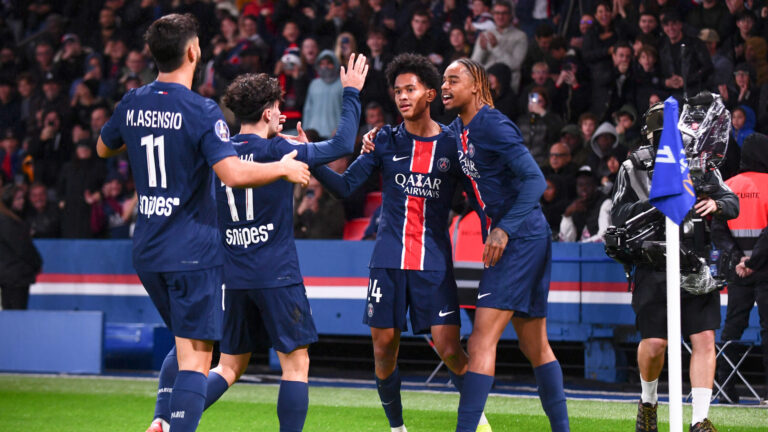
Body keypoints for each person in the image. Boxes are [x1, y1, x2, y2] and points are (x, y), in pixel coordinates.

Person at [96, 14, 309, 432]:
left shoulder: (131, 101)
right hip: (192, 250)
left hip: (147, 249)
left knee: (184, 344)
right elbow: (232, 173)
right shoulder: (200, 110)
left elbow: (105, 147)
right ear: (193, 51)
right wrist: (282, 169)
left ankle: (160, 419)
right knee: (197, 358)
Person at [318, 53, 492, 432]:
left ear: (430, 94)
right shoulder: (383, 140)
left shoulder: (454, 145)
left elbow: (480, 198)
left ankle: (479, 421)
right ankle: (397, 428)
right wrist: (311, 158)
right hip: (388, 263)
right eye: (397, 91)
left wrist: (501, 229)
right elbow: (346, 186)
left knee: (450, 349)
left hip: (432, 264)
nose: (402, 97)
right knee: (383, 353)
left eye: (410, 89)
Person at [191, 55, 366, 431]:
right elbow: (341, 143)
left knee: (229, 366)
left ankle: (169, 421)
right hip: (276, 274)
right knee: (296, 364)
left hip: (233, 277)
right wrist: (350, 93)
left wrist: (272, 133)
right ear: (270, 111)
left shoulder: (220, 155)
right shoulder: (280, 152)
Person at [441, 58, 569, 432]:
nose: (445, 86)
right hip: (524, 238)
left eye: (454, 79)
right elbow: (427, 138)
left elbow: (534, 180)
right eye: (443, 81)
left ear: (477, 85)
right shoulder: (457, 130)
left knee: (482, 340)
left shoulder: (493, 124)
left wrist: (503, 230)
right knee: (535, 346)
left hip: (519, 238)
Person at [610, 100, 738, 432]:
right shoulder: (632, 167)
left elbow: (731, 200)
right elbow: (618, 215)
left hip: (694, 263)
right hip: (652, 264)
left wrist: (716, 203)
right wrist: (656, 204)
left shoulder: (702, 165)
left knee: (705, 338)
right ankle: (648, 402)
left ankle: (699, 420)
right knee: (655, 343)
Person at [711, 133, 768, 404]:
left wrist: (738, 260)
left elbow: (718, 230)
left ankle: (724, 388)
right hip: (765, 269)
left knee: (732, 328)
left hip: (738, 270)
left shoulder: (728, 185)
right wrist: (754, 261)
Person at [470, 1, 527, 93]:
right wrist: (482, 50)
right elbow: (473, 65)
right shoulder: (486, 34)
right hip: (485, 86)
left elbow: (515, 65)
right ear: (492, 14)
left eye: (504, 13)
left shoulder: (520, 36)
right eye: (497, 13)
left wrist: (495, 48)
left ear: (510, 15)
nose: (500, 17)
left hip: (508, 88)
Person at [0, 185, 42, 310]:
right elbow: (23, 248)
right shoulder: (7, 221)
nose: (22, 201)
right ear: (8, 200)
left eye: (22, 198)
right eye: (18, 199)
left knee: (11, 314)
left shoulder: (10, 219)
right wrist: (37, 263)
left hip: (11, 276)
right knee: (16, 314)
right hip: (15, 278)